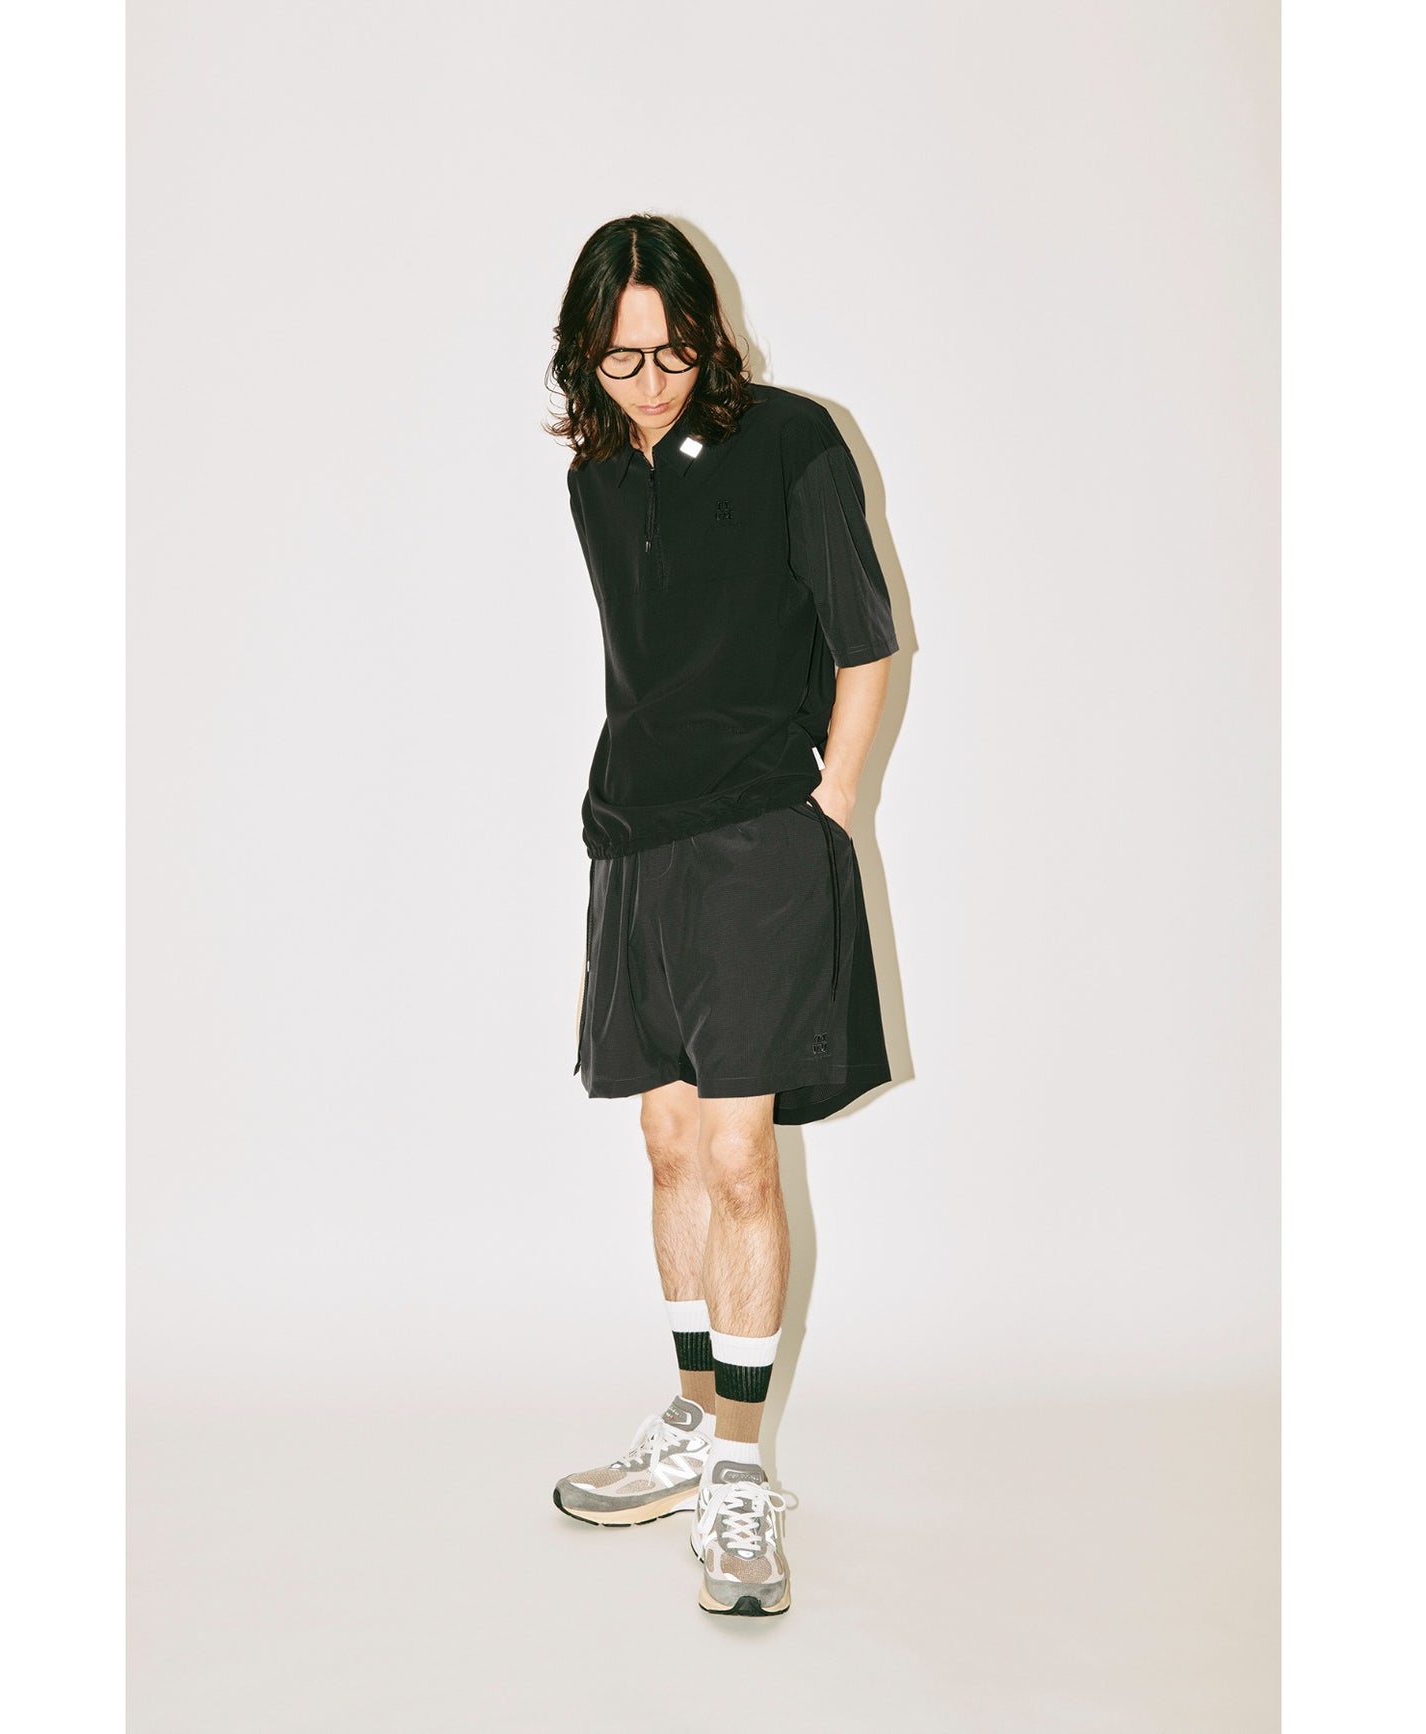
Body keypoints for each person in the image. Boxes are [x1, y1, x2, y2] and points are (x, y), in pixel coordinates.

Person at [543, 214, 900, 1618]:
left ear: (710, 335)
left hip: (761, 834)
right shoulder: (594, 472)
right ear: (583, 358)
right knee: (669, 1142)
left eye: (669, 354)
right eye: (618, 360)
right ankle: (696, 1418)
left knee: (743, 1153)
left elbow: (866, 636)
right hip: (634, 838)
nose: (647, 383)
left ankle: (742, 1471)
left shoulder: (795, 440)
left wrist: (833, 804)